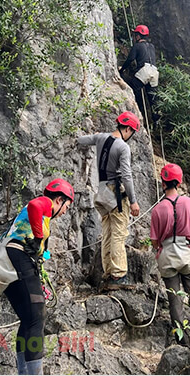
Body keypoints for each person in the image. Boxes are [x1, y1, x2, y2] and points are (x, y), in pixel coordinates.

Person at [4, 178, 74, 375]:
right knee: (37, 317)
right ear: (59, 200)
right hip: (20, 257)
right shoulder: (46, 203)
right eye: (66, 207)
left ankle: (23, 372)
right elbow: (35, 205)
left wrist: (41, 251)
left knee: (28, 319)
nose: (64, 212)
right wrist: (37, 238)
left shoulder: (44, 219)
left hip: (13, 261)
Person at [77, 111, 141, 290]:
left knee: (107, 232)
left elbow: (82, 140)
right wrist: (134, 201)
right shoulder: (122, 147)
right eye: (132, 132)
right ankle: (118, 275)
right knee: (119, 233)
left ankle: (107, 273)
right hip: (116, 193)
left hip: (101, 191)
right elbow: (127, 176)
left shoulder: (100, 138)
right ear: (128, 129)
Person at [150, 163, 190, 350]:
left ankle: (184, 346)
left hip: (167, 255)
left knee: (175, 302)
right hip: (185, 253)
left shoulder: (158, 209)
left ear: (163, 181)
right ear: (179, 181)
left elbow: (155, 241)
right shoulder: (189, 202)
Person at [119, 25, 159, 124]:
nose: (134, 37)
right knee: (152, 97)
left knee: (134, 86)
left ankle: (139, 110)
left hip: (144, 70)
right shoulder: (152, 47)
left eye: (135, 35)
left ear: (138, 36)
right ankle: (156, 118)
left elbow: (130, 59)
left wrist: (121, 70)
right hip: (154, 71)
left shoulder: (137, 46)